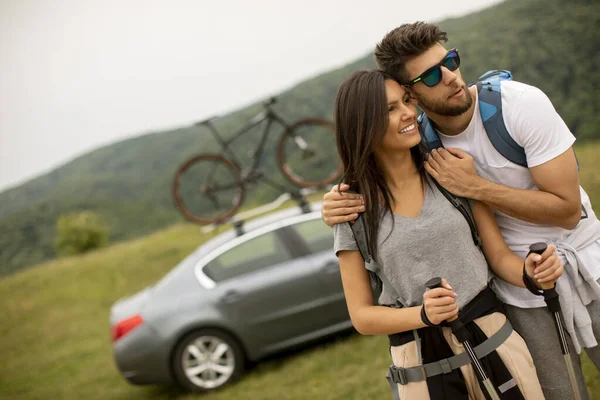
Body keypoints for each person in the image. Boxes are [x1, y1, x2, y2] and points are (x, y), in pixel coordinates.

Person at [323, 22, 600, 400]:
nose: (452, 77)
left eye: (451, 61)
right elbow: (361, 313)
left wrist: (476, 190)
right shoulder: (365, 198)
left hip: (558, 282)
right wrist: (422, 314)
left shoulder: (490, 131)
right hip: (452, 341)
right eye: (432, 75)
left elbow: (551, 221)